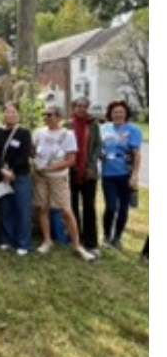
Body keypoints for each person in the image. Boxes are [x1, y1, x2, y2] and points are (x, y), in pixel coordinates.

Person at [33, 106, 95, 261]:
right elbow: (34, 151)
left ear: (59, 117)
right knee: (43, 208)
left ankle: (77, 245)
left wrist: (49, 167)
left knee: (66, 211)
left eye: (49, 114)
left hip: (58, 178)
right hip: (40, 177)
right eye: (44, 114)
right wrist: (36, 163)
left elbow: (71, 160)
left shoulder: (67, 135)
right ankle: (47, 241)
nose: (46, 117)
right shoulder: (38, 133)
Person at [99, 100, 142, 251]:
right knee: (110, 207)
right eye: (115, 112)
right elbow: (98, 148)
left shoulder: (133, 130)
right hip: (107, 174)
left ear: (126, 114)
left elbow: (137, 154)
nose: (118, 114)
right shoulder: (103, 128)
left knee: (123, 209)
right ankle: (106, 236)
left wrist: (135, 175)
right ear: (110, 113)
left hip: (125, 174)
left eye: (121, 112)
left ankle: (117, 237)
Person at [0, 102, 34, 256]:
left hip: (20, 176)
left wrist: (12, 171)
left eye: (13, 112)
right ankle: (6, 240)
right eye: (7, 112)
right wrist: (2, 170)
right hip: (1, 176)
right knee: (5, 208)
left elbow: (25, 155)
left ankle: (23, 243)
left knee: (22, 209)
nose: (10, 114)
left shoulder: (24, 133)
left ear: (18, 115)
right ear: (3, 115)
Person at [66, 97, 102, 251]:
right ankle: (75, 237)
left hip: (88, 172)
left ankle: (91, 242)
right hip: (70, 171)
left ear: (87, 107)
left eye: (84, 106)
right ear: (73, 107)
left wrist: (91, 164)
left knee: (89, 206)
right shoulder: (67, 125)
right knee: (71, 206)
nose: (81, 109)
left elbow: (97, 146)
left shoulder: (93, 124)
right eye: (78, 106)